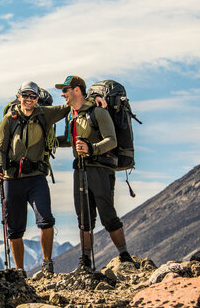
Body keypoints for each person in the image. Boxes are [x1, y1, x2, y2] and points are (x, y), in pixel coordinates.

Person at [55, 75, 137, 271]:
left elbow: (112, 140)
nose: (62, 94)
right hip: (80, 169)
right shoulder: (71, 115)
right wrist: (49, 142)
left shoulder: (98, 111)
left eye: (65, 90)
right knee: (84, 217)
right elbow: (70, 140)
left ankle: (125, 257)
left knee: (108, 215)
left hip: (101, 168)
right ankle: (85, 262)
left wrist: (91, 149)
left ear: (77, 90)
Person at [0, 81, 71, 275]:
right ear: (19, 96)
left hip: (36, 177)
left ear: (37, 99)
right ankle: (20, 271)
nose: (29, 99)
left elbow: (67, 108)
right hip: (12, 179)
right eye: (25, 95)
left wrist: (90, 100)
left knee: (46, 220)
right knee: (14, 229)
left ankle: (47, 264)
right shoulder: (8, 119)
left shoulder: (44, 114)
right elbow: (1, 148)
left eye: (33, 96)